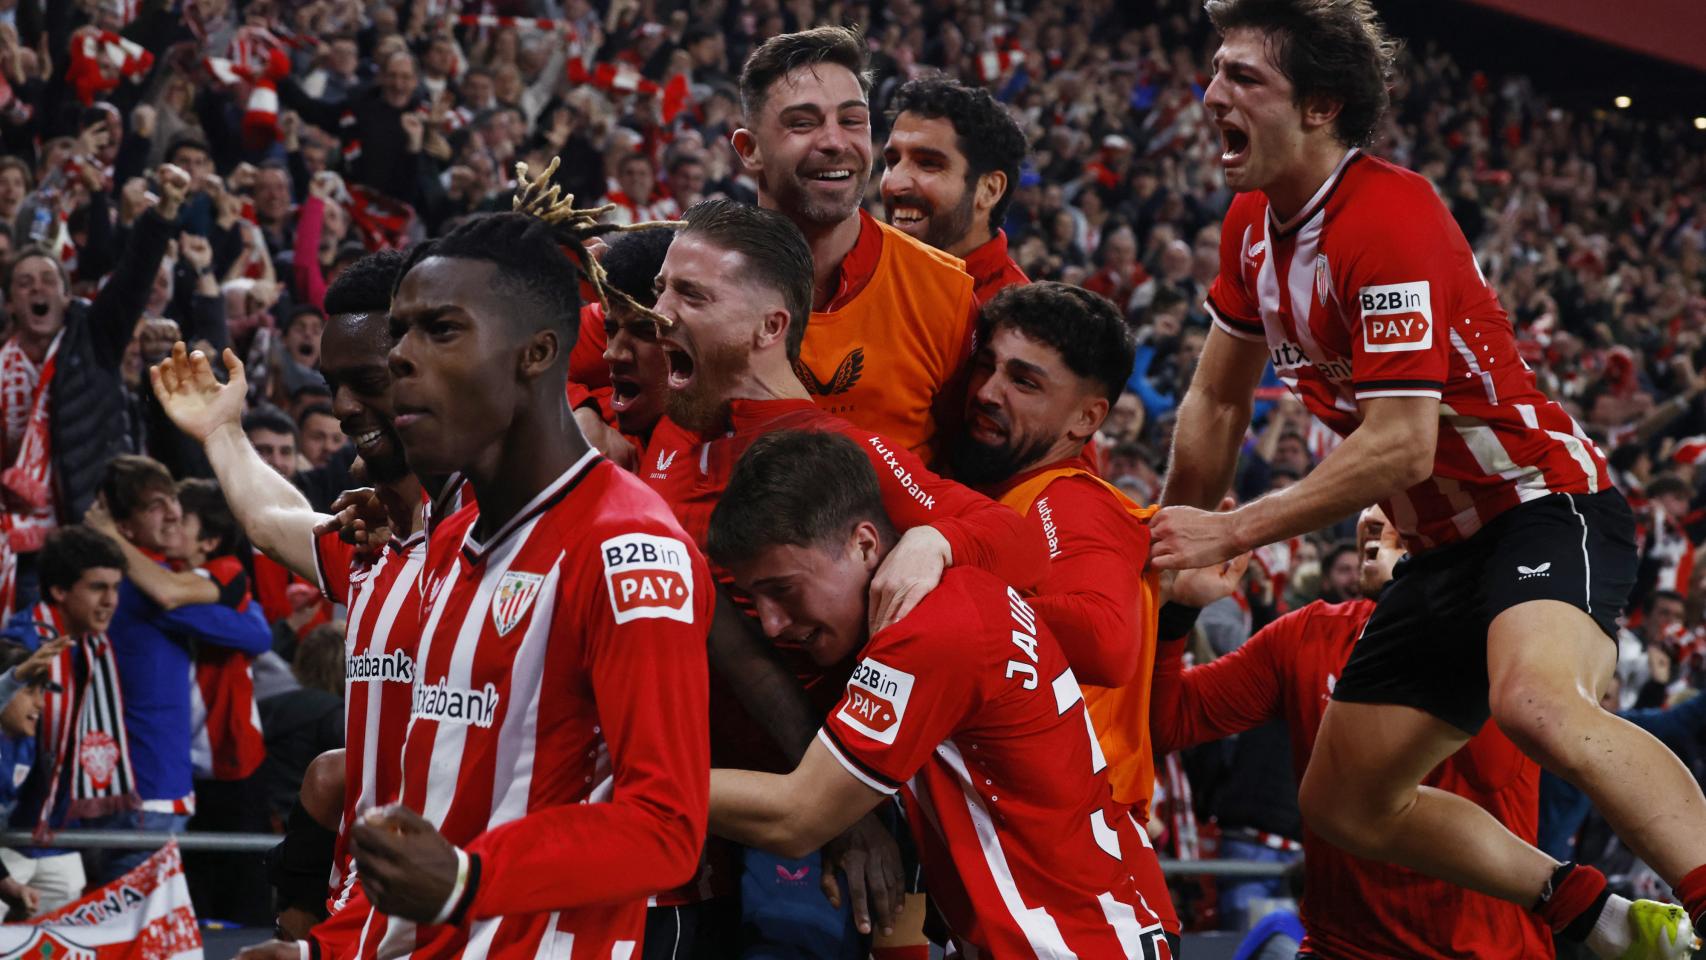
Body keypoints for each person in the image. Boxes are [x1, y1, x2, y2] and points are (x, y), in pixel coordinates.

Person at [1149, 1, 1701, 953]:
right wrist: (1168, 535)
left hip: (1539, 502)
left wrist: (1231, 531)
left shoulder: (1389, 213)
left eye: (1244, 78)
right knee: (1344, 801)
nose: (1211, 95)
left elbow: (1401, 445)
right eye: (1215, 71)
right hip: (1445, 547)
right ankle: (1588, 913)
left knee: (1535, 706)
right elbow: (1213, 406)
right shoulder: (1251, 228)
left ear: (1321, 106)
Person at [637, 197, 1047, 947]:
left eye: (690, 296)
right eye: (663, 288)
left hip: (802, 835)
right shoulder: (671, 429)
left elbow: (1018, 541)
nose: (660, 312)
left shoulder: (831, 449)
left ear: (770, 328)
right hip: (697, 836)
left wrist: (936, 544)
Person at [327, 207, 711, 958]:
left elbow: (667, 828)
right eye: (399, 332)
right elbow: (431, 815)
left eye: (440, 330)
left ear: (537, 353)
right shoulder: (447, 542)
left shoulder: (629, 548)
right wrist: (325, 947)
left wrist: (470, 879)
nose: (400, 357)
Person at [704, 429, 1171, 958]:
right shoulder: (958, 594)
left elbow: (798, 815)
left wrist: (647, 788)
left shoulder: (925, 632)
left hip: (1067, 943)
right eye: (754, 598)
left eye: (782, 589)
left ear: (863, 544)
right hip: (1092, 923)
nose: (769, 624)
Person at [150, 250, 429, 954]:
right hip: (365, 912)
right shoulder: (379, 546)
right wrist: (221, 431)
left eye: (366, 382)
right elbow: (275, 524)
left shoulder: (508, 544)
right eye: (333, 385)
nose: (341, 410)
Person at [1153, 506, 1558, 957]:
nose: (1370, 517)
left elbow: (1491, 769)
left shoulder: (1509, 636)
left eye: (1400, 499)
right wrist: (1177, 614)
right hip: (1339, 948)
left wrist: (1413, 602)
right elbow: (1167, 720)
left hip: (1484, 952)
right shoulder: (1308, 634)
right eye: (1370, 497)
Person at [946, 280, 1181, 945]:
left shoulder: (1069, 499)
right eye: (986, 366)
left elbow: (1107, 639)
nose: (988, 391)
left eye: (1024, 382)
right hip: (1048, 872)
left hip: (1080, 883)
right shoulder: (1003, 498)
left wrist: (946, 592)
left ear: (1085, 420)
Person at [734, 26, 979, 459]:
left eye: (852, 121)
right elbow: (583, 370)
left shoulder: (945, 292)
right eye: (803, 123)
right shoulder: (684, 278)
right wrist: (592, 411)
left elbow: (993, 461)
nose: (834, 142)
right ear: (749, 149)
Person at [81, 455, 272, 883]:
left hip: (147, 789)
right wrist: (111, 537)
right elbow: (251, 633)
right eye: (155, 506)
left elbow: (254, 629)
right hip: (147, 794)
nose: (172, 513)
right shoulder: (136, 586)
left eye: (173, 501)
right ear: (124, 525)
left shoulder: (140, 577)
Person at [0, 526, 118, 917]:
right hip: (11, 836)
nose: (110, 601)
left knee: (59, 938)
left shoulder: (92, 646)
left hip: (52, 834)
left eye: (115, 588)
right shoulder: (22, 646)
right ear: (59, 591)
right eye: (98, 587)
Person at [880, 76, 1029, 303]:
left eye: (928, 164)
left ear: (989, 190)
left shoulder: (1017, 325)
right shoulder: (856, 280)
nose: (894, 183)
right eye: (892, 161)